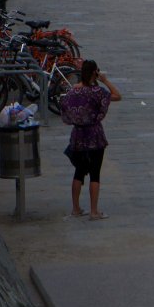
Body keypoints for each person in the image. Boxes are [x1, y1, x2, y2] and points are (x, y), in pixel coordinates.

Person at [60, 60, 121, 219]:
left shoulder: (73, 91)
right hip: (94, 135)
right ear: (95, 73)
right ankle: (94, 211)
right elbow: (117, 96)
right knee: (95, 173)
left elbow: (64, 110)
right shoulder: (97, 92)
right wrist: (104, 80)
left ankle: (76, 209)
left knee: (79, 172)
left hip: (78, 135)